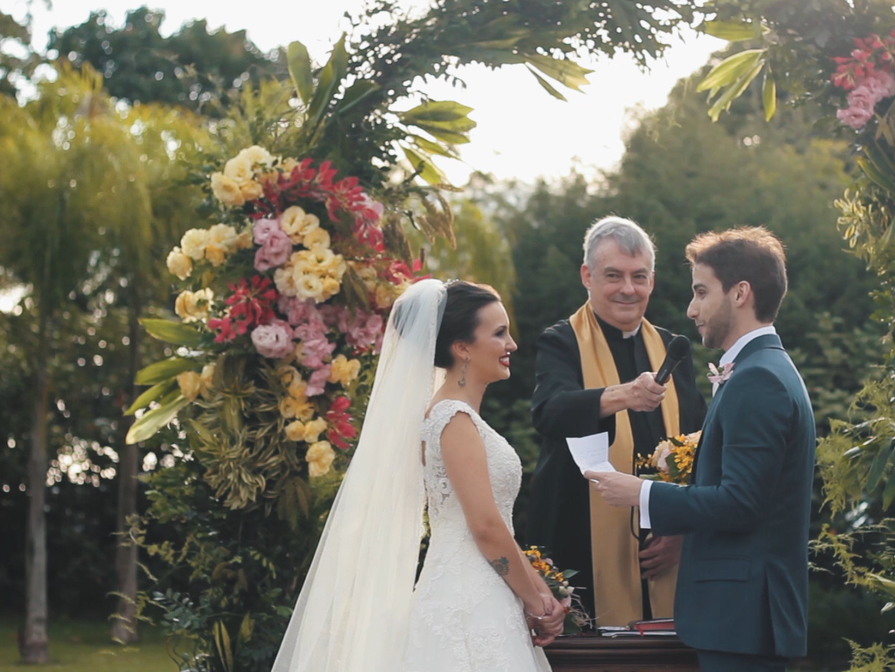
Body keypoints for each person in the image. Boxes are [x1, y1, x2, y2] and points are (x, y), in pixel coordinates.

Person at [273, 280, 564, 672]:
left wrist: (536, 594)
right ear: (461, 347)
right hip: (467, 602)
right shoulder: (452, 419)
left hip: (484, 593)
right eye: (499, 333)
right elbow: (484, 526)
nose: (511, 344)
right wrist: (536, 601)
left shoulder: (460, 417)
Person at [587, 227, 815, 672]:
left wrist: (641, 493)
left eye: (701, 292)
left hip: (743, 620)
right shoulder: (762, 369)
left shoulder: (759, 379)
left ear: (740, 293)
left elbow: (741, 504)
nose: (691, 309)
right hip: (741, 620)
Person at [525, 216, 707, 627]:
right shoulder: (561, 340)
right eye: (613, 276)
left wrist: (681, 532)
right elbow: (549, 411)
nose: (628, 289)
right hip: (582, 537)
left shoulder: (672, 349)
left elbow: (702, 442)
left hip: (663, 548)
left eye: (639, 276)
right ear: (587, 276)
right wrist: (624, 394)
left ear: (652, 281)